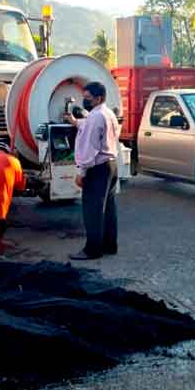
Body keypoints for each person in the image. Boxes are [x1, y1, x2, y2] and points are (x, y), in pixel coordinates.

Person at [65, 82, 120, 261]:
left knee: (93, 211)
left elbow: (89, 147)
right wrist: (76, 122)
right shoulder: (108, 113)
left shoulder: (96, 117)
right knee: (108, 209)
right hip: (111, 165)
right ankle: (110, 246)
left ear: (99, 98)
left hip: (97, 168)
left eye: (88, 98)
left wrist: (81, 172)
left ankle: (92, 250)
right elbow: (91, 126)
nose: (85, 102)